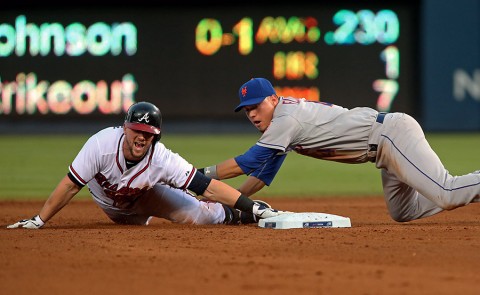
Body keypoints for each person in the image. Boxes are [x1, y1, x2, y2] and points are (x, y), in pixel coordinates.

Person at [199, 77, 480, 222]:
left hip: (391, 136)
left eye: (257, 106)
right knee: (403, 212)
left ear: (273, 99)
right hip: (382, 149)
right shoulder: (281, 123)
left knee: (446, 192)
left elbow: (250, 161)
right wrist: (235, 199)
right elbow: (263, 173)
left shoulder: (287, 118)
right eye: (247, 111)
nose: (252, 115)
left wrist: (198, 178)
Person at [7, 101, 288, 229]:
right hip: (114, 209)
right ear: (125, 128)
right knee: (131, 224)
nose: (141, 136)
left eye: (148, 133)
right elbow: (70, 185)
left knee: (200, 215)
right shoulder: (101, 145)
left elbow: (208, 186)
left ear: (156, 136)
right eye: (136, 130)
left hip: (147, 196)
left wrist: (250, 205)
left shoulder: (161, 157)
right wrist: (39, 220)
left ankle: (241, 217)